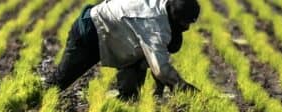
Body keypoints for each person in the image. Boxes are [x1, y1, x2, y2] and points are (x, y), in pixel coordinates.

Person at [49, 0, 200, 99]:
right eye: (185, 23)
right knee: (58, 83)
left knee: (131, 94)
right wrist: (182, 86)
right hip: (91, 31)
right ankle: (32, 100)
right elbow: (160, 69)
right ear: (176, 18)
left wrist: (160, 89)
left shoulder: (164, 5)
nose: (187, 28)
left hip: (120, 35)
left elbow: (156, 61)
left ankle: (125, 101)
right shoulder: (154, 27)